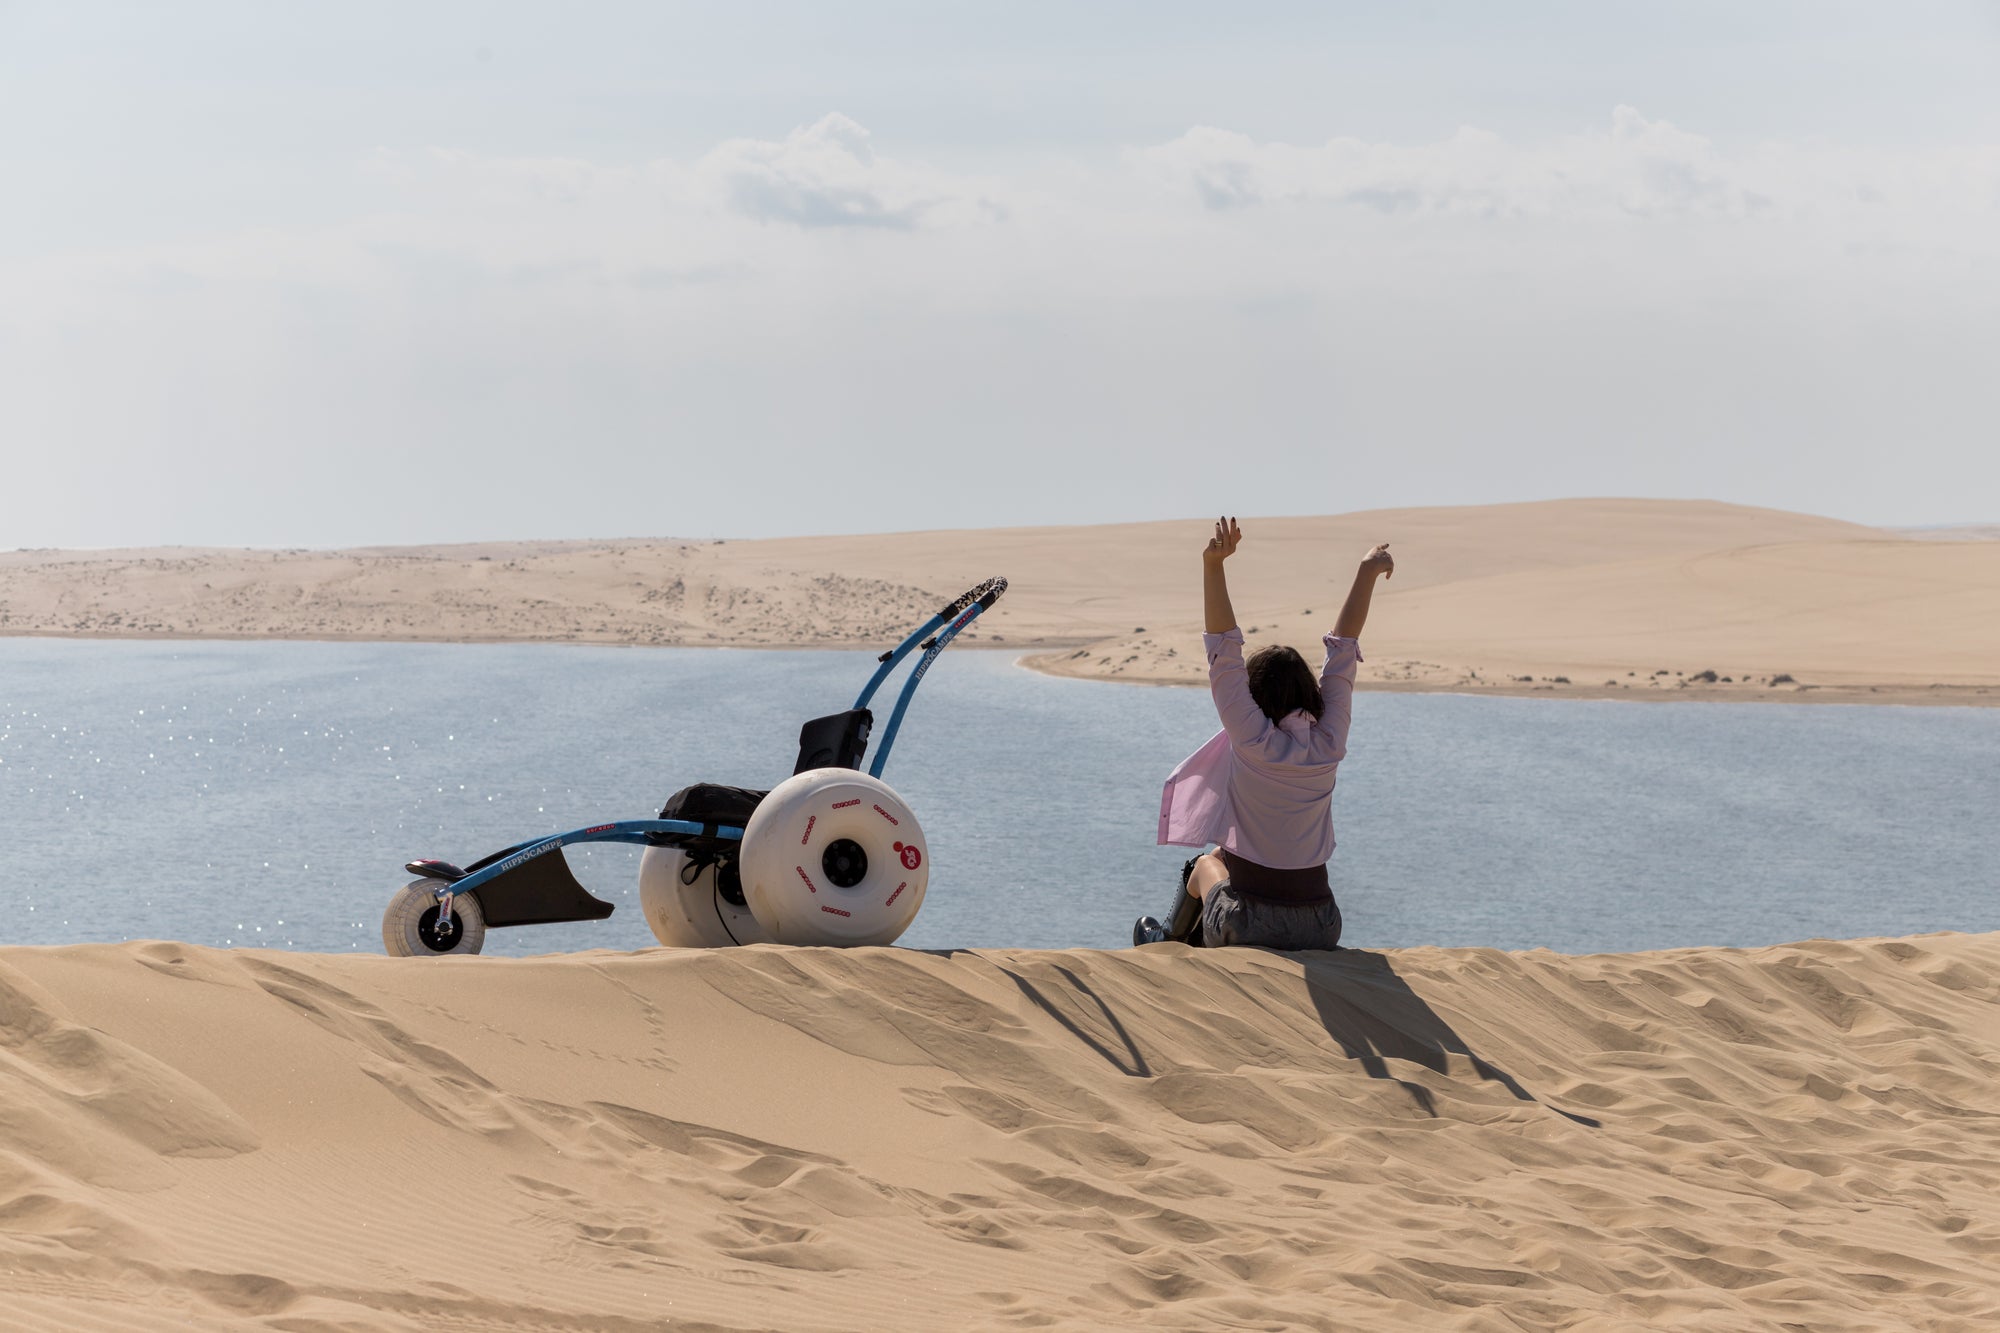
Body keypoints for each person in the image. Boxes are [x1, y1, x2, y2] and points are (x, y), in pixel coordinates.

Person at [1137, 517, 1393, 950]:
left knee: (1203, 865)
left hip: (1251, 926)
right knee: (1223, 856)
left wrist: (1213, 565)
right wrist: (1367, 572)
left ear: (1254, 697)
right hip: (1324, 925)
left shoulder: (1251, 738)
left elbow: (1223, 651)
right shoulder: (1330, 739)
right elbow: (1343, 651)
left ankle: (1167, 945)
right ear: (1310, 691)